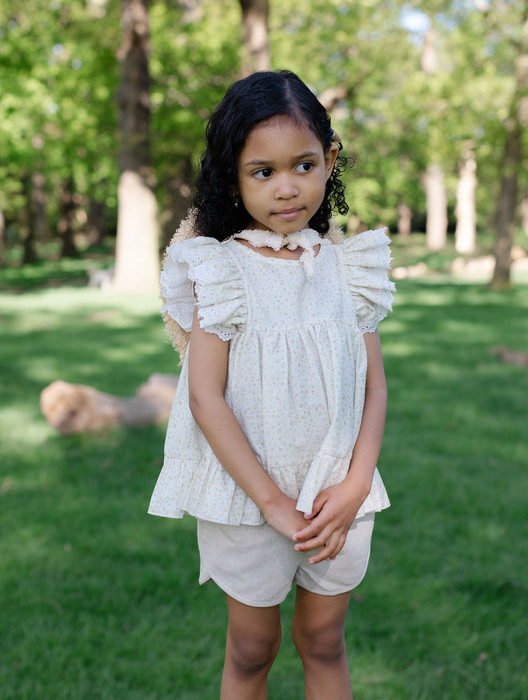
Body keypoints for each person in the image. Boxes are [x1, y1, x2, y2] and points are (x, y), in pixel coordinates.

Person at [149, 70, 395, 700]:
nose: (287, 188)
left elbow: (373, 387)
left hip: (337, 495)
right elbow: (205, 398)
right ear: (232, 172)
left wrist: (358, 481)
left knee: (323, 641)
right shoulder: (222, 270)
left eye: (303, 165)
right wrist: (272, 504)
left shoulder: (348, 267)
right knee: (253, 649)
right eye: (263, 171)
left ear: (329, 160)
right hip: (250, 497)